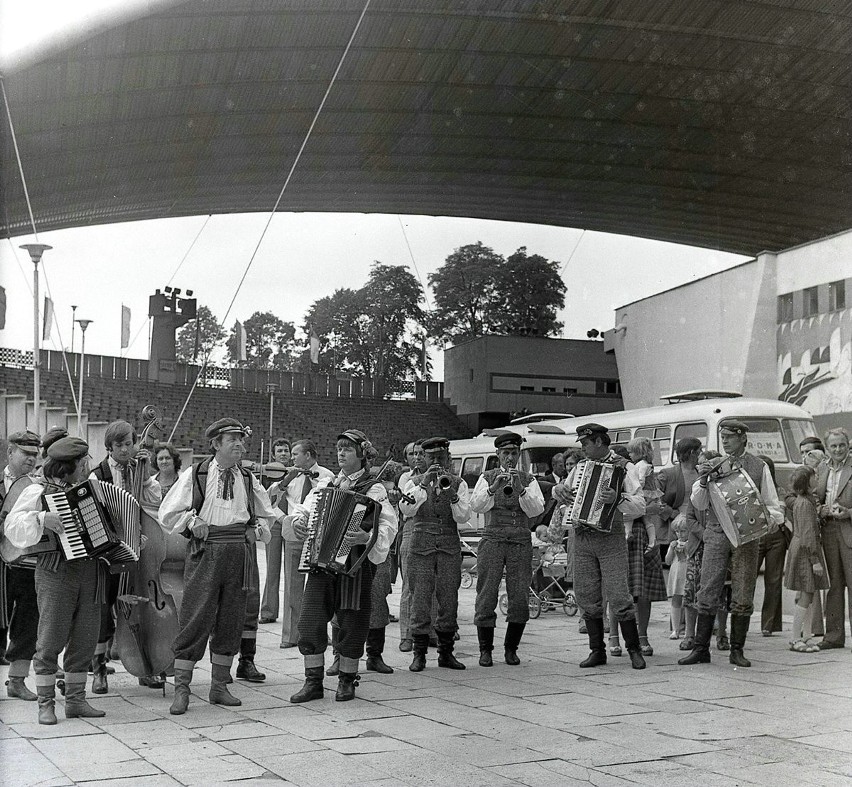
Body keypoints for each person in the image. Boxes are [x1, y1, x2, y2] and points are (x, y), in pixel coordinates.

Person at [159, 418, 275, 715]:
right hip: (205, 552)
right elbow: (168, 513)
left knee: (231, 619)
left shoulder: (248, 478)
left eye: (241, 439)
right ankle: (182, 688)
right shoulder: (196, 474)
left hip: (239, 554)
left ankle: (219, 686)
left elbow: (268, 514)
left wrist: (257, 528)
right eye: (232, 439)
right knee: (195, 617)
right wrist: (191, 522)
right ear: (216, 444)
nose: (239, 444)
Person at [289, 429, 397, 703]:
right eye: (339, 448)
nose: (341, 453)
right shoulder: (327, 485)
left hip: (354, 566)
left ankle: (347, 681)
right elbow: (305, 508)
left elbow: (388, 524)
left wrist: (367, 537)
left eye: (348, 448)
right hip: (322, 563)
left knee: (353, 621)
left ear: (362, 454)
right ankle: (313, 682)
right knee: (310, 620)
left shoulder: (374, 489)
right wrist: (299, 522)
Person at [5, 436, 106, 725]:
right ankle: (46, 703)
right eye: (83, 462)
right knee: (49, 638)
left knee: (86, 638)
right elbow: (12, 526)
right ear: (68, 466)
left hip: (91, 570)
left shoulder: (94, 488)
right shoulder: (37, 490)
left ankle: (75, 701)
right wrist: (41, 518)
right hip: (55, 570)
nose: (88, 466)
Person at [678, 421, 783, 668]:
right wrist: (703, 481)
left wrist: (771, 522)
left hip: (747, 536)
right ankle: (701, 649)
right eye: (722, 437)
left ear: (743, 438)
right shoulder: (713, 464)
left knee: (744, 590)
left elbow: (771, 503)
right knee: (708, 588)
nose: (724, 441)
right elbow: (700, 503)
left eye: (729, 437)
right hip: (715, 533)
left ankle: (737, 650)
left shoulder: (759, 466)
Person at [554, 424, 647, 670]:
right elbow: (566, 496)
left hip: (610, 537)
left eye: (585, 444)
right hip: (583, 536)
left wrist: (617, 499)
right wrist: (559, 492)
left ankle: (634, 650)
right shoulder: (580, 468)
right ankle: (597, 651)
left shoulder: (624, 467)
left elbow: (640, 504)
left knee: (618, 594)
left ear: (598, 442)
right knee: (587, 596)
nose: (582, 449)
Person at [89, 419, 162, 693]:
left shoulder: (138, 469)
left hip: (137, 548)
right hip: (109, 551)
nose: (125, 449)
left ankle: (145, 668)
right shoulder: (97, 474)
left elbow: (156, 497)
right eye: (119, 445)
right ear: (109, 446)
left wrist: (145, 476)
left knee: (140, 606)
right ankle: (99, 671)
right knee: (104, 611)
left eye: (129, 444)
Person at [470, 433, 544, 667]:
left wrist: (520, 489)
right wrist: (493, 488)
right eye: (505, 454)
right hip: (492, 538)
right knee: (486, 592)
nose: (510, 458)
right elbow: (477, 505)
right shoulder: (487, 476)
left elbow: (535, 510)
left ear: (519, 455)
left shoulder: (529, 479)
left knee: (519, 594)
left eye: (514, 453)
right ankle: (485, 650)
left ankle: (511, 649)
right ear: (498, 456)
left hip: (520, 540)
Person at [401, 437, 470, 671]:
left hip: (449, 546)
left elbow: (463, 517)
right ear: (423, 459)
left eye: (441, 458)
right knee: (419, 598)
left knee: (449, 599)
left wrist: (452, 495)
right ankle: (418, 654)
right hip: (421, 546)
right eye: (432, 458)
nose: (437, 462)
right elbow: (407, 509)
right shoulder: (412, 482)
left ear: (448, 459)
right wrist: (424, 484)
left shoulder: (458, 483)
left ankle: (446, 653)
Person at [261, 441, 334, 641]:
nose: (291, 458)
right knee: (293, 584)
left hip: (317, 534)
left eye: (295, 454)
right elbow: (269, 500)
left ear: (308, 455)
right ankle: (291, 635)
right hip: (295, 531)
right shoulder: (287, 475)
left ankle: (318, 631)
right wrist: (285, 481)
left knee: (318, 585)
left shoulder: (326, 476)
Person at [0, 431, 41, 700]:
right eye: (26, 453)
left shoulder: (37, 486)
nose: (31, 459)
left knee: (28, 620)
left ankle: (17, 679)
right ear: (10, 452)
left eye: (35, 454)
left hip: (27, 561)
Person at [785, 465, 829, 652]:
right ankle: (796, 638)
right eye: (814, 477)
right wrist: (815, 560)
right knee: (806, 594)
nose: (817, 478)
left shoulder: (806, 501)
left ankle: (807, 636)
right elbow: (807, 534)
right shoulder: (804, 504)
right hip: (806, 551)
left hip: (805, 550)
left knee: (809, 593)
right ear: (807, 482)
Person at [816, 427, 852, 650]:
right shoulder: (821, 468)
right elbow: (812, 498)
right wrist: (821, 510)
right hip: (828, 530)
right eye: (833, 446)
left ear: (848, 445)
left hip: (849, 529)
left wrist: (848, 513)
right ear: (827, 448)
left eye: (842, 445)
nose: (838, 449)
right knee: (833, 585)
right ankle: (834, 636)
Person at [396, 440, 427, 652]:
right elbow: (407, 506)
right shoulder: (406, 478)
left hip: (433, 528)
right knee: (409, 583)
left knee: (432, 584)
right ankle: (406, 635)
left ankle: (430, 631)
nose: (417, 457)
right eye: (413, 453)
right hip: (411, 528)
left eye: (421, 454)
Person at [755, 455, 787, 637]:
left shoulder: (778, 490)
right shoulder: (750, 490)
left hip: (776, 538)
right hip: (758, 537)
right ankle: (740, 619)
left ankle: (769, 625)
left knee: (774, 581)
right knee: (748, 579)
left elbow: (780, 513)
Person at [665, 518, 690, 641]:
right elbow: (667, 561)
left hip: (687, 573)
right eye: (677, 531)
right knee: (675, 602)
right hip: (676, 574)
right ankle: (675, 629)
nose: (680, 534)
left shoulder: (690, 543)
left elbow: (690, 557)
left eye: (683, 531)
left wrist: (686, 549)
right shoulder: (674, 543)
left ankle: (688, 630)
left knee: (688, 601)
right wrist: (671, 549)